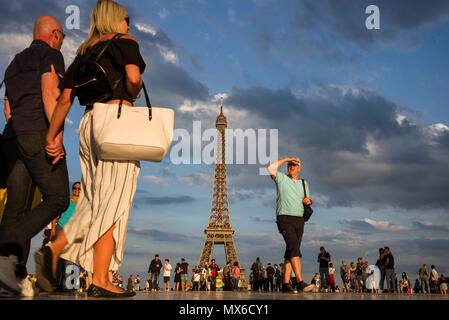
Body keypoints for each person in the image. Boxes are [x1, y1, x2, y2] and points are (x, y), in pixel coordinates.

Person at [35, 0, 146, 298]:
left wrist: (51, 136)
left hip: (89, 124)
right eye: (127, 19)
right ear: (116, 19)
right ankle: (100, 279)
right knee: (114, 201)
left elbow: (63, 100)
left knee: (97, 200)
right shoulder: (125, 42)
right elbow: (134, 79)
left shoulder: (84, 51)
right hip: (117, 122)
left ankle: (57, 249)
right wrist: (132, 91)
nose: (129, 25)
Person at [0, 15, 68, 297]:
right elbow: (49, 91)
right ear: (54, 34)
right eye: (61, 36)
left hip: (11, 137)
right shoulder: (51, 55)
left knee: (16, 206)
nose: (61, 41)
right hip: (38, 134)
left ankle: (5, 273)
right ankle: (9, 246)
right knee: (59, 197)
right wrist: (55, 135)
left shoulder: (14, 62)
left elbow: (7, 108)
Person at [267, 157, 314, 293]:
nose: (291, 166)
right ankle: (300, 282)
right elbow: (270, 168)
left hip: (299, 219)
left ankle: (286, 284)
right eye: (290, 164)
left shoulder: (304, 183)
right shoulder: (281, 178)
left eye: (294, 164)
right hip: (284, 218)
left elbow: (307, 200)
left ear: (299, 168)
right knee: (294, 248)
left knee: (290, 251)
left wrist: (308, 201)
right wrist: (287, 158)